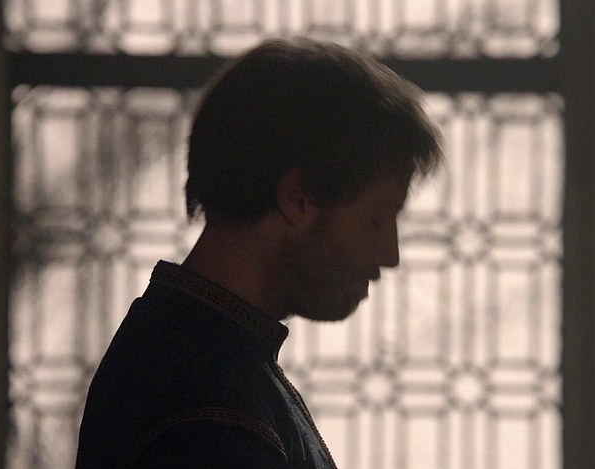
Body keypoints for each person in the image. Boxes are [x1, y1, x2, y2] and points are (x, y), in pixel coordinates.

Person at [75, 37, 443, 468]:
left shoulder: (198, 361)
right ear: (297, 200)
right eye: (377, 221)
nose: (389, 254)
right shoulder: (211, 411)